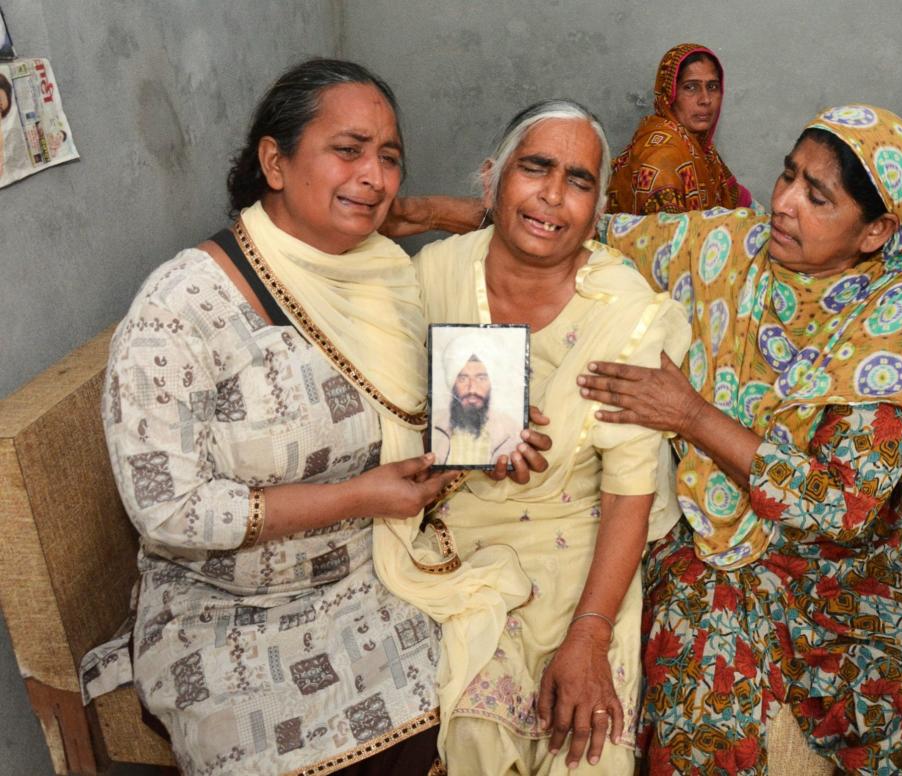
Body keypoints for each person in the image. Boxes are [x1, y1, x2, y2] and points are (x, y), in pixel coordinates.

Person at [78, 58, 548, 776]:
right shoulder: (181, 308)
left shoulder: (382, 273)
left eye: (389, 157)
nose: (375, 175)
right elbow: (168, 510)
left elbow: (402, 422)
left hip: (372, 576)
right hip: (225, 609)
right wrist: (358, 497)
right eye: (348, 149)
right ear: (275, 160)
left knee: (479, 715)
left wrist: (482, 431)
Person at [579, 105, 902, 774]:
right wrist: (448, 213)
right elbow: (603, 233)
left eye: (816, 195)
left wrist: (694, 416)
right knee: (698, 724)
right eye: (787, 176)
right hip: (720, 542)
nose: (784, 203)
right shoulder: (731, 248)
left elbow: (839, 506)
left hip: (844, 564)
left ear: (877, 230)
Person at [374, 100, 690, 775]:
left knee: (585, 749)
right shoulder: (434, 276)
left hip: (581, 546)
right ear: (491, 181)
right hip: (457, 539)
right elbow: (386, 417)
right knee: (477, 736)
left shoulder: (623, 312)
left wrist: (589, 635)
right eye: (536, 168)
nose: (552, 195)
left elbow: (629, 493)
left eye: (578, 180)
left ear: (598, 208)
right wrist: (461, 443)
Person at [605, 43, 750, 214]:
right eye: (691, 87)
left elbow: (738, 201)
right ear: (669, 94)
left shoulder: (702, 150)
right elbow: (666, 234)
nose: (705, 99)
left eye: (712, 87)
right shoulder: (662, 156)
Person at [431, 338, 522, 466]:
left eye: (481, 378)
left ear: (491, 382)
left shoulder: (510, 430)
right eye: (463, 378)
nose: (472, 388)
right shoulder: (432, 424)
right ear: (452, 383)